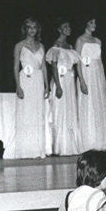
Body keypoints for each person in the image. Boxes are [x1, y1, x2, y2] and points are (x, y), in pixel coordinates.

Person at [8, 17, 48, 159]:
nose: (32, 30)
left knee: (37, 112)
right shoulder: (19, 45)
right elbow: (15, 66)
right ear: (25, 29)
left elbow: (43, 66)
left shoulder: (41, 46)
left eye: (34, 27)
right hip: (25, 80)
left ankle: (37, 149)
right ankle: (25, 149)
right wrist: (18, 86)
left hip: (37, 81)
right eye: (29, 27)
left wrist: (46, 85)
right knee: (26, 113)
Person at [75, 18, 106, 150]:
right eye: (91, 22)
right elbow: (78, 62)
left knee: (98, 106)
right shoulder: (80, 40)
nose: (94, 25)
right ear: (85, 24)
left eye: (95, 23)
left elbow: (101, 62)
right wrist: (81, 80)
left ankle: (100, 140)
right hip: (86, 75)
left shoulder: (98, 41)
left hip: (97, 76)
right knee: (87, 105)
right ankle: (87, 141)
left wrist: (103, 81)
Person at [44, 19, 82, 156]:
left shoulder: (69, 46)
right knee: (60, 112)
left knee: (70, 111)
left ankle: (71, 145)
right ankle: (60, 146)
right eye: (65, 26)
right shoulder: (56, 46)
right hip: (60, 80)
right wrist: (58, 86)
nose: (68, 28)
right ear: (59, 29)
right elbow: (53, 66)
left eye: (69, 26)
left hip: (70, 82)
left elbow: (75, 65)